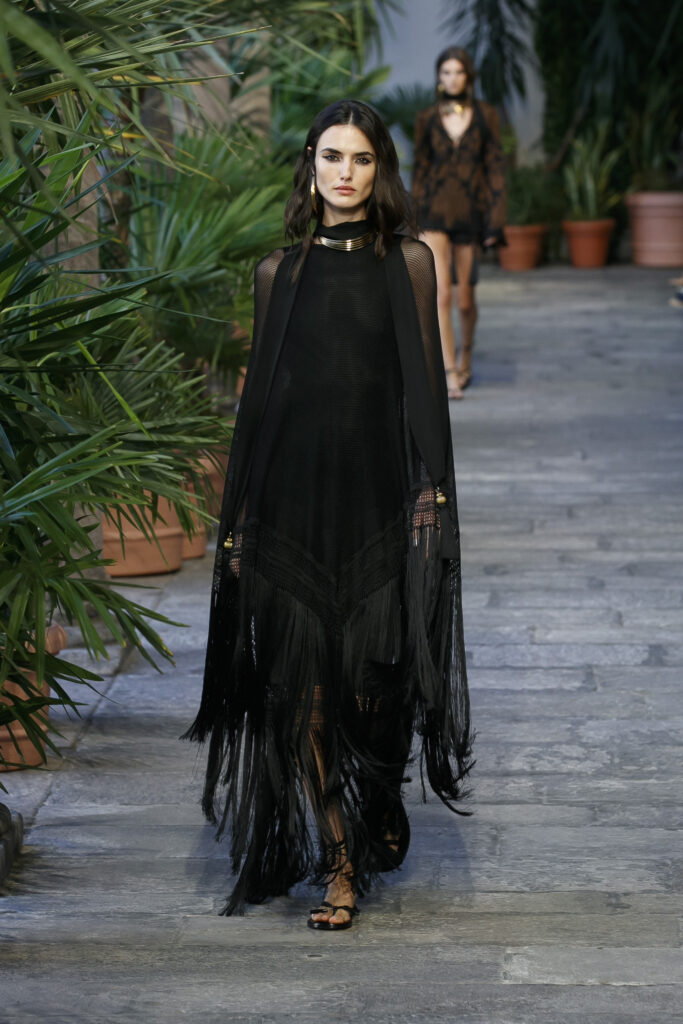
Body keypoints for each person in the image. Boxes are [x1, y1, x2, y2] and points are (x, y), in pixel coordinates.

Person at [184, 99, 472, 930]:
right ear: (309, 165)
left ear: (380, 171)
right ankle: (339, 863)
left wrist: (429, 497)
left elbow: (423, 393)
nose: (345, 173)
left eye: (361, 159)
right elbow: (261, 405)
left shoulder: (406, 262)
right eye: (331, 156)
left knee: (375, 692)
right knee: (304, 699)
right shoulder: (278, 274)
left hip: (375, 503)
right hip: (292, 506)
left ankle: (377, 791)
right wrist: (240, 521)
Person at [412, 47, 506, 399]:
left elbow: (495, 167)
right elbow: (420, 170)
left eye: (459, 72)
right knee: (441, 293)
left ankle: (466, 352)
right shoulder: (426, 118)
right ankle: (449, 369)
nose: (452, 78)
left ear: (469, 77)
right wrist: (412, 216)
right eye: (446, 72)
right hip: (433, 213)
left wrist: (496, 220)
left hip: (470, 213)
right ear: (439, 77)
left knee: (465, 300)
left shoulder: (486, 115)